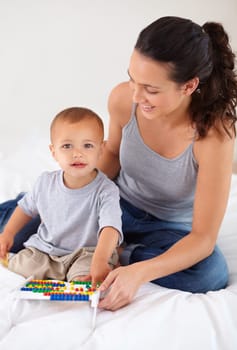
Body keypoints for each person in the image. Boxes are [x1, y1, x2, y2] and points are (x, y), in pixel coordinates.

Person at [0, 16, 237, 310]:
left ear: (188, 86)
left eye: (151, 89)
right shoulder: (125, 99)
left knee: (209, 273)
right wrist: (73, 194)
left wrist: (137, 273)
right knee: (13, 228)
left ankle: (122, 252)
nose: (137, 96)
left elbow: (203, 237)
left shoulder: (214, 135)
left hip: (165, 230)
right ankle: (91, 239)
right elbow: (111, 155)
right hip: (114, 203)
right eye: (132, 79)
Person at [0, 107, 123, 284]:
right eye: (67, 146)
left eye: (88, 145)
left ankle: (110, 260)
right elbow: (25, 208)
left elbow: (110, 227)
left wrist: (101, 259)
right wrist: (8, 233)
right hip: (46, 251)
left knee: (85, 280)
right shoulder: (45, 183)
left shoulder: (106, 190)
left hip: (87, 253)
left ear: (101, 149)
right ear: (53, 151)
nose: (77, 153)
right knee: (21, 266)